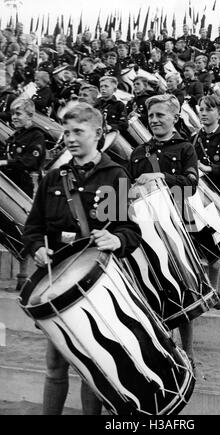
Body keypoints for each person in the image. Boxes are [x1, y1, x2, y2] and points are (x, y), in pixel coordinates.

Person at [22, 103, 142, 415]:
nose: (70, 138)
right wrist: (36, 247)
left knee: (92, 366)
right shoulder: (53, 177)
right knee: (55, 364)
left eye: (78, 131)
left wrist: (115, 238)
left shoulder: (115, 175)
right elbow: (33, 228)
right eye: (66, 131)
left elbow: (128, 229)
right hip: (57, 285)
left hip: (96, 287)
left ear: (98, 134)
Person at [128, 94, 199, 373]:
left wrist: (161, 178)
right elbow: (126, 192)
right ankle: (165, 350)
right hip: (145, 232)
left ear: (175, 118)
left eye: (161, 115)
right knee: (154, 290)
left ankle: (189, 350)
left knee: (182, 291)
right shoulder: (137, 153)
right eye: (151, 115)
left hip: (175, 229)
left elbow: (191, 184)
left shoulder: (184, 148)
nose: (154, 120)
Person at [193, 95, 220, 303]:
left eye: (208, 109)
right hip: (196, 199)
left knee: (216, 249)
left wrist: (209, 168)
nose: (203, 113)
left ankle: (214, 291)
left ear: (219, 113)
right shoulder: (195, 138)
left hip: (217, 198)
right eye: (201, 109)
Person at [1, 97, 46, 291]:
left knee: (27, 229)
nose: (14, 117)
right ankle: (22, 277)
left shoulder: (36, 136)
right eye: (13, 113)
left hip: (26, 187)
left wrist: (4, 163)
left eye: (18, 113)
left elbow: (30, 162)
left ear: (30, 115)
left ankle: (27, 276)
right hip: (10, 185)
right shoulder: (13, 137)